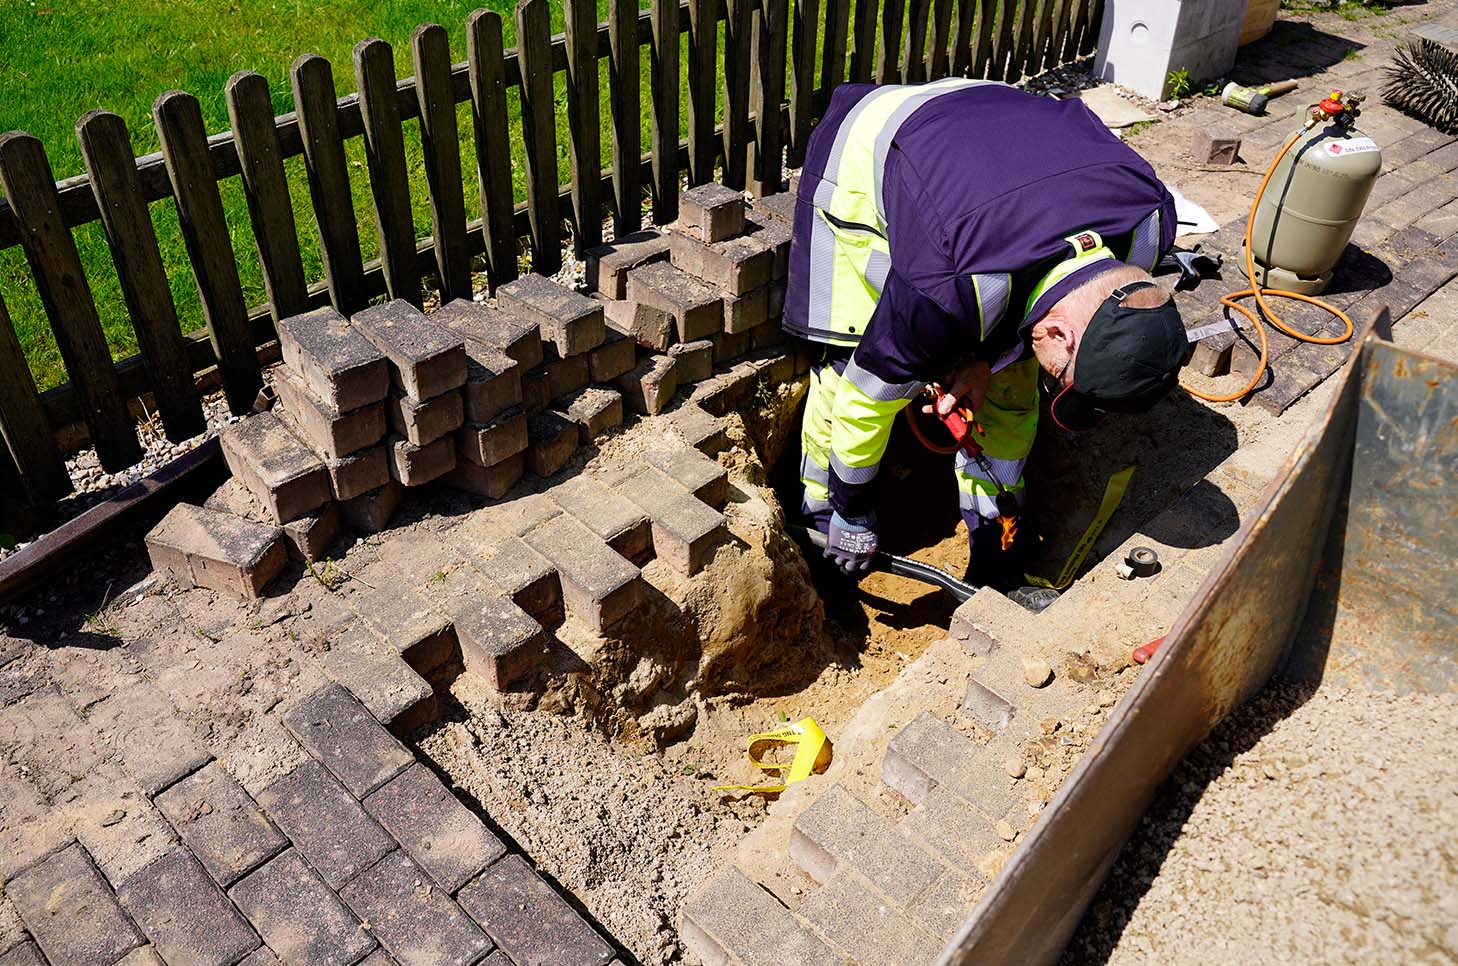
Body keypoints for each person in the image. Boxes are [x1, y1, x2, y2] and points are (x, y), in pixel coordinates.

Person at [783, 79, 1189, 588]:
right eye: (1060, 375)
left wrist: (983, 361)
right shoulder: (944, 286)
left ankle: (993, 536)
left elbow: (1034, 310)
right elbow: (866, 399)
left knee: (1014, 383)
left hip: (996, 144)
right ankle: (822, 520)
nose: (1055, 382)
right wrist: (854, 509)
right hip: (877, 147)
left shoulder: (1148, 228)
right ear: (1060, 334)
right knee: (848, 366)